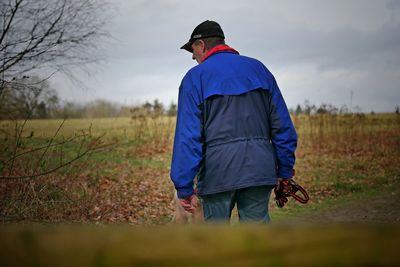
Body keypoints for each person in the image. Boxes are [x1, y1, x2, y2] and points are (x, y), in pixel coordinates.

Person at [170, 20, 297, 223]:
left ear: (201, 45)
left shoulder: (195, 78)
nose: (193, 56)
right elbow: (282, 126)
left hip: (217, 174)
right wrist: (284, 170)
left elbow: (188, 137)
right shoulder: (259, 70)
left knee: (216, 244)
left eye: (193, 50)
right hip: (259, 170)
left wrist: (184, 186)